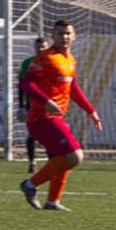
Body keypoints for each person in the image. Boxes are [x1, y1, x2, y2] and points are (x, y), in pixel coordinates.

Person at [19, 20, 103, 212]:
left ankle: (52, 201)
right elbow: (26, 84)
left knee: (62, 158)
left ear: (74, 36)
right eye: (60, 34)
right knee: (74, 156)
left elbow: (73, 89)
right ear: (53, 36)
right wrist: (45, 100)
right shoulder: (45, 58)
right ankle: (30, 185)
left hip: (55, 118)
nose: (64, 37)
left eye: (67, 33)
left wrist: (91, 111)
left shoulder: (70, 60)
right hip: (40, 119)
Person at [17, 34, 49, 169]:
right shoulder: (27, 63)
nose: (41, 50)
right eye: (38, 48)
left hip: (49, 103)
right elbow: (21, 85)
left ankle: (52, 160)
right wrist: (21, 105)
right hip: (33, 104)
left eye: (43, 47)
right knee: (32, 133)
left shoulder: (53, 62)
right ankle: (32, 162)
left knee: (49, 133)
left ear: (47, 48)